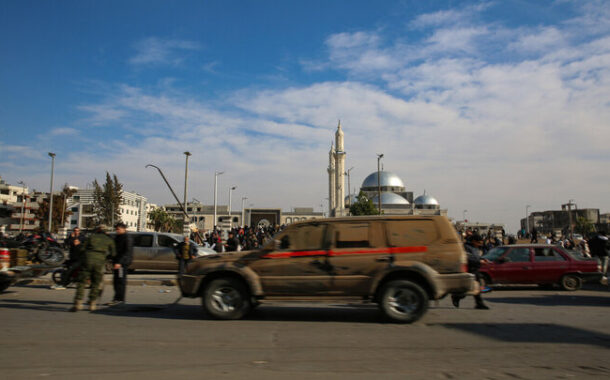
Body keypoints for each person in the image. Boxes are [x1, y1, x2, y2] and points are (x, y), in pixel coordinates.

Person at [70, 224, 115, 312]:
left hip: (87, 260)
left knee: (81, 281)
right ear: (106, 231)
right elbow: (113, 253)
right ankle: (92, 303)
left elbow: (82, 248)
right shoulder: (109, 240)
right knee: (96, 282)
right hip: (99, 262)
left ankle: (78, 303)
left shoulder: (91, 237)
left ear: (97, 230)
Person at [452, 233, 490, 310]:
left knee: (477, 287)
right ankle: (456, 297)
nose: (481, 244)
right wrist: (480, 261)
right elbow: (468, 258)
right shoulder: (466, 247)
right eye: (479, 242)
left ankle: (479, 304)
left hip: (475, 269)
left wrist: (482, 259)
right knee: (467, 288)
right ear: (474, 241)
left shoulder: (476, 248)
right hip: (468, 270)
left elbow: (476, 257)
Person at [106, 222, 133, 306]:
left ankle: (120, 299)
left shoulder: (127, 238)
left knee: (120, 281)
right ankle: (116, 298)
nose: (117, 231)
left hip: (122, 263)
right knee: (116, 281)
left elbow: (127, 252)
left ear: (124, 229)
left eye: (118, 229)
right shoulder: (118, 237)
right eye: (116, 229)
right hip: (117, 262)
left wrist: (119, 262)